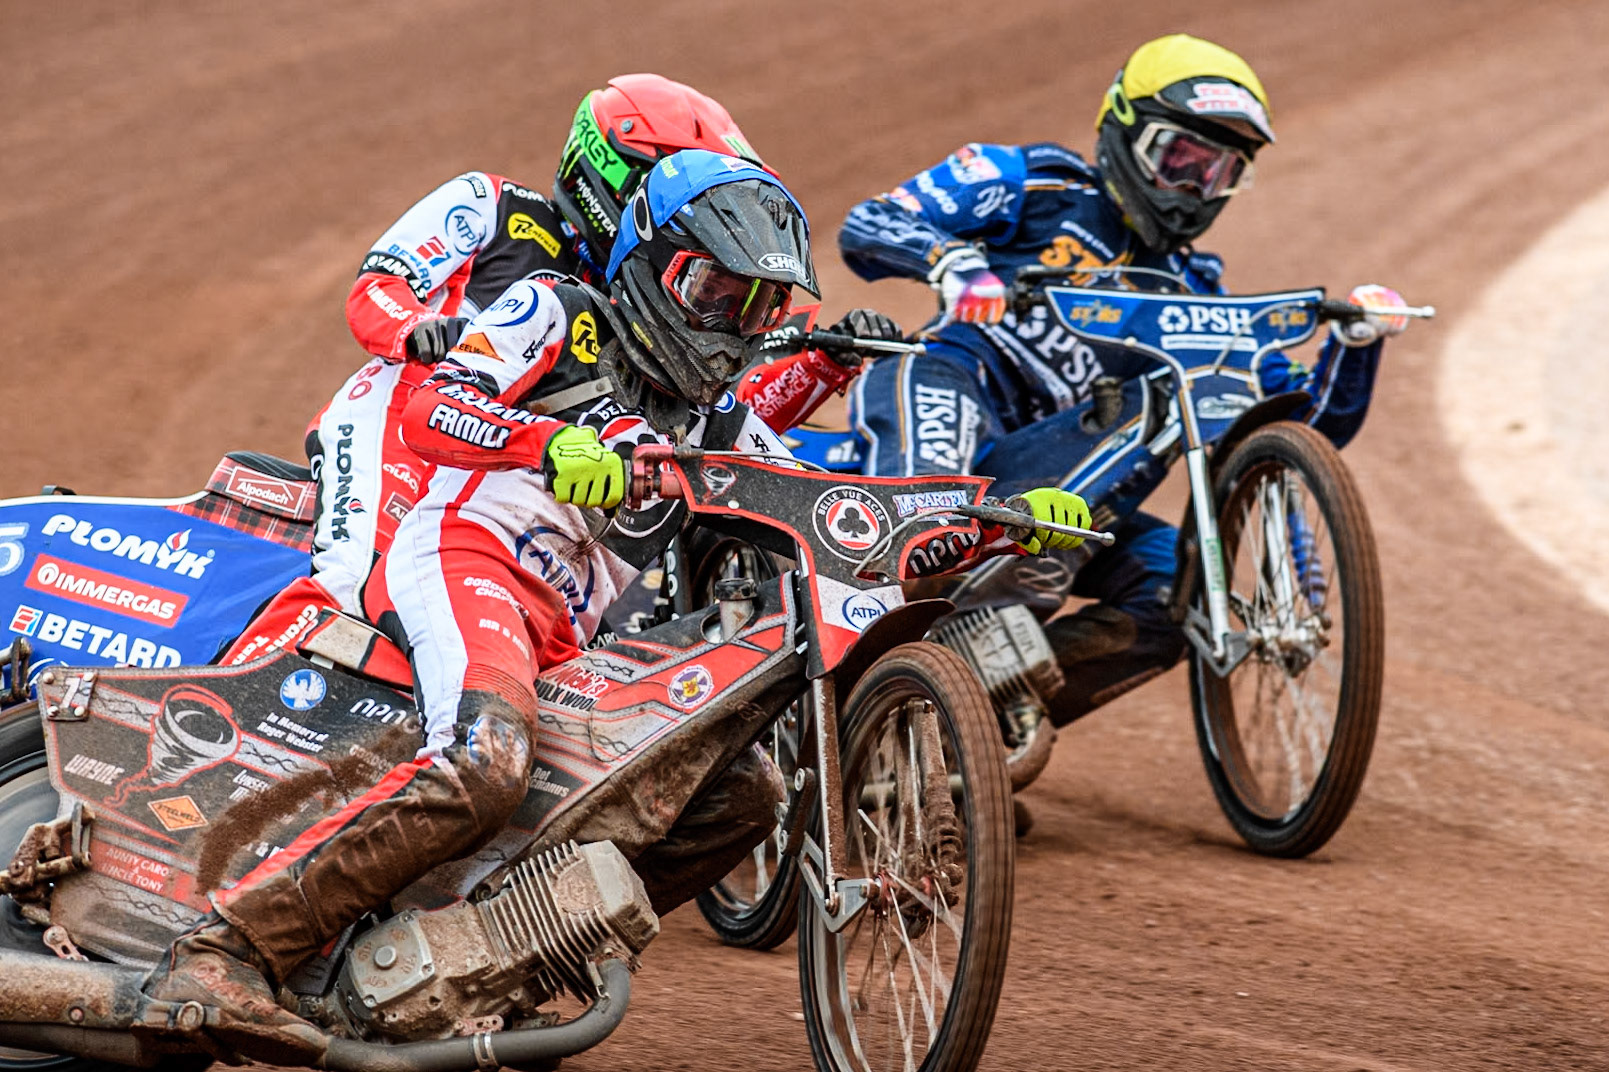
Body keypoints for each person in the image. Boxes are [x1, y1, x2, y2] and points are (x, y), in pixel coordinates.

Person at [146, 149, 1092, 1063]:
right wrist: (543, 445)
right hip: (460, 557)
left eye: (757, 305)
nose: (731, 322)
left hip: (560, 629)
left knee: (738, 798)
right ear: (645, 261)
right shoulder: (557, 310)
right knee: (486, 763)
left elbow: (824, 503)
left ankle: (493, 965)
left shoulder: (717, 418)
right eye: (714, 291)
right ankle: (226, 949)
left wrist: (990, 515)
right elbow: (437, 401)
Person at [837, 33, 1415, 726]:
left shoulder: (1195, 292)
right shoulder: (1032, 181)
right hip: (951, 386)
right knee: (921, 523)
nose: (1196, 191)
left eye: (1218, 172)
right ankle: (833, 689)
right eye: (1180, 161)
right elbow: (870, 222)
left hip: (1061, 487)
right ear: (1126, 133)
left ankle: (967, 734)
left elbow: (1297, 430)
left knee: (1185, 587)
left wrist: (1357, 345)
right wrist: (950, 262)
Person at [223, 74, 878, 664]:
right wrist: (419, 331)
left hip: (529, 474)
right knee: (354, 577)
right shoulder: (495, 206)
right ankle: (226, 685)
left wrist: (820, 366)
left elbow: (715, 429)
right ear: (607, 165)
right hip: (407, 410)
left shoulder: (654, 300)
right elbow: (377, 286)